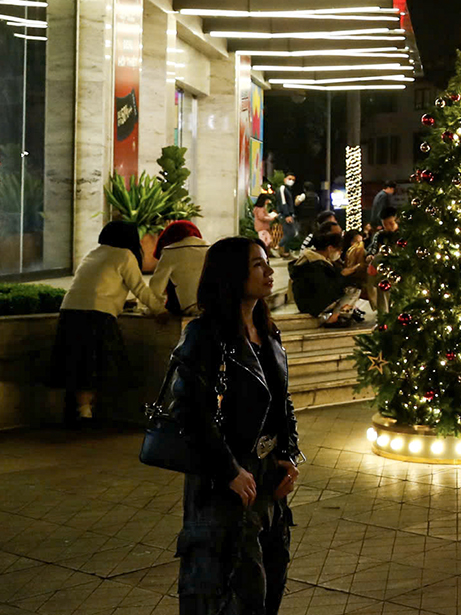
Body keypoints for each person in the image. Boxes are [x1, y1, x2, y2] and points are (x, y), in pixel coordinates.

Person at [170, 236, 300, 615]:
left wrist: (288, 455)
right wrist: (229, 471)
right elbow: (191, 411)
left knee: (270, 579)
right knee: (229, 589)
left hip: (266, 475)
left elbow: (282, 402)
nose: (269, 271)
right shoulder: (205, 336)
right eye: (258, 265)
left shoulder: (268, 332)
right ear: (232, 275)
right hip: (225, 480)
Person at [51, 221, 165, 424]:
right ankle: (86, 415)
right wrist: (160, 310)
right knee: (92, 365)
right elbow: (140, 288)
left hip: (69, 311)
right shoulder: (124, 255)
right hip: (96, 314)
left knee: (77, 364)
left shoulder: (93, 253)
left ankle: (80, 411)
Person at [287, 232, 361, 326]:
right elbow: (325, 289)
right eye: (338, 250)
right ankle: (336, 317)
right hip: (312, 304)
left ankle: (342, 314)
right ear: (330, 248)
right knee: (354, 288)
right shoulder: (314, 264)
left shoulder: (317, 259)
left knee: (352, 283)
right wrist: (342, 276)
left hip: (311, 300)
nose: (339, 253)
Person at [150, 220, 209, 318]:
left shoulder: (170, 251)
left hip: (188, 309)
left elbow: (155, 290)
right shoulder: (211, 248)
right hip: (214, 307)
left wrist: (156, 309)